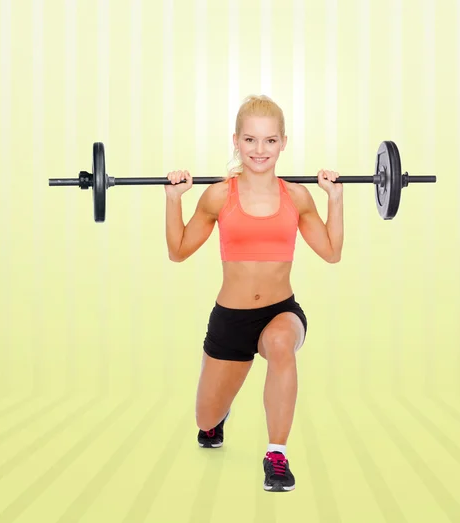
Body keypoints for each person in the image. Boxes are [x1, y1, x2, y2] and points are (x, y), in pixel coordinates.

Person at [164, 95, 343, 492]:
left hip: (281, 311)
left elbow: (331, 252)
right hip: (231, 320)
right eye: (250, 140)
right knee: (204, 421)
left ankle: (276, 454)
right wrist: (173, 200)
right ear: (236, 141)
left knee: (281, 342)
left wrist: (335, 198)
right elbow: (177, 252)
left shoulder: (297, 197)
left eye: (269, 141)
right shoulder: (217, 195)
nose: (259, 150)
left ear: (283, 143)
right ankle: (217, 418)